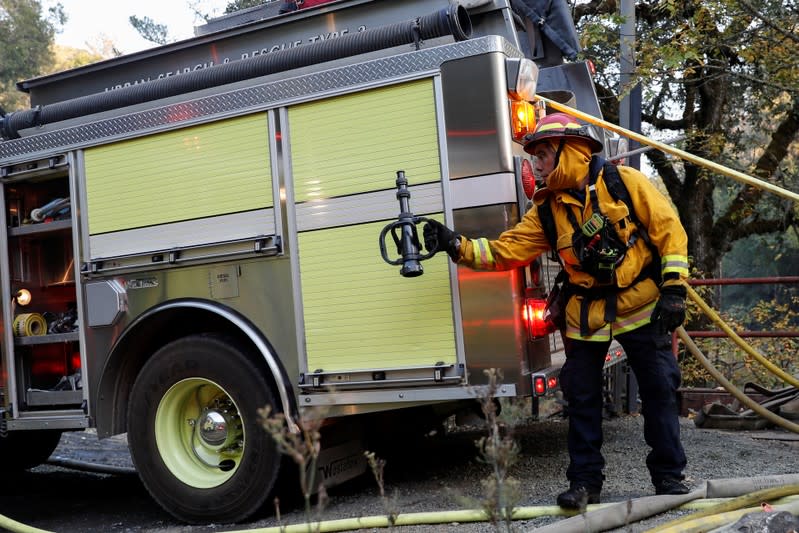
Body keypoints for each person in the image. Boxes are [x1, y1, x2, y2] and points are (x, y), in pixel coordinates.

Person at [423, 112, 690, 509]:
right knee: (580, 398)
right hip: (585, 314)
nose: (536, 165)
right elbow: (506, 250)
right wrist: (456, 245)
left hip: (641, 303)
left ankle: (669, 476)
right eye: (535, 157)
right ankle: (585, 484)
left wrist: (673, 291)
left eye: (544, 155)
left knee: (659, 391)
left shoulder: (625, 184)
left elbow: (670, 231)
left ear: (572, 152)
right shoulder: (547, 210)